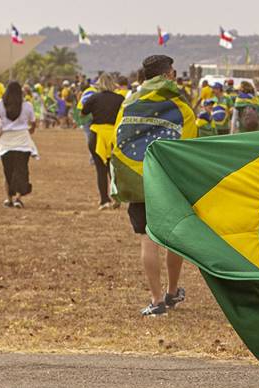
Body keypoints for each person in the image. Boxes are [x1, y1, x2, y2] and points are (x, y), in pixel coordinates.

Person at [112, 54, 195, 316]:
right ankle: (172, 291)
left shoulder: (129, 101)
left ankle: (156, 299)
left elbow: (119, 138)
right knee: (173, 240)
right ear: (168, 74)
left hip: (137, 178)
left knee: (148, 239)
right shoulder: (179, 103)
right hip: (167, 178)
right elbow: (188, 142)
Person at [0, 81, 37, 209]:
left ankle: (8, 199)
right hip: (23, 141)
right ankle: (18, 199)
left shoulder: (0, 104)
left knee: (8, 171)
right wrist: (31, 130)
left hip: (6, 142)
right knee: (21, 170)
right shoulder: (27, 105)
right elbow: (33, 122)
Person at [81, 73, 124, 210]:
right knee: (113, 169)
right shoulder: (120, 99)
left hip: (96, 135)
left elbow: (83, 112)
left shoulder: (94, 97)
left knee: (100, 169)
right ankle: (116, 197)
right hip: (114, 136)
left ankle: (104, 200)